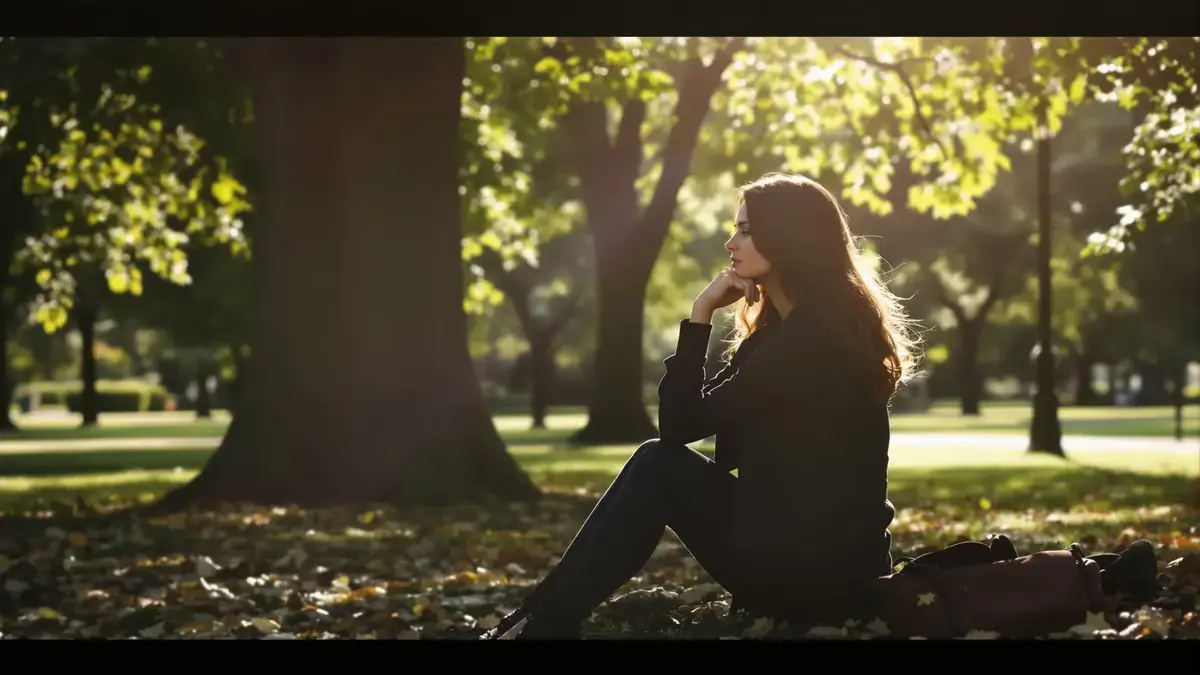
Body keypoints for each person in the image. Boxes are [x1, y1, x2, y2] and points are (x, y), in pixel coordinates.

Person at [481, 172, 924, 639]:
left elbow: (677, 428)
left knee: (657, 464)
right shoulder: (800, 335)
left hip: (821, 579)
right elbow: (686, 423)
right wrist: (702, 314)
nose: (731, 243)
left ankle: (539, 624)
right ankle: (538, 620)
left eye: (746, 230)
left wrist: (699, 316)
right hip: (822, 566)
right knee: (656, 462)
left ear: (789, 238)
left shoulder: (806, 346)